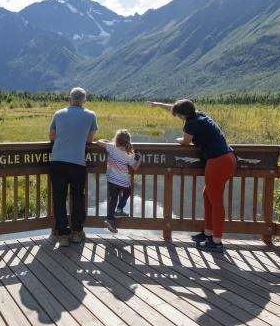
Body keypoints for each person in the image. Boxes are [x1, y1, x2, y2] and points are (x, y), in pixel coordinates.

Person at [148, 99, 236, 252]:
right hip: (226, 159)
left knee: (215, 201)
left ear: (182, 115)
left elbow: (185, 142)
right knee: (207, 195)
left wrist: (177, 139)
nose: (175, 116)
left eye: (177, 115)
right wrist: (158, 104)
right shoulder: (199, 115)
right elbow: (173, 108)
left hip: (218, 161)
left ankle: (216, 242)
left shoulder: (190, 124)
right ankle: (208, 233)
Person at [49, 87, 98, 247]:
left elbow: (52, 136)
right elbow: (90, 140)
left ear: (70, 99)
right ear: (84, 100)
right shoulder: (90, 115)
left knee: (59, 197)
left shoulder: (58, 114)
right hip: (77, 163)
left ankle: (62, 235)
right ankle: (77, 233)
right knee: (78, 197)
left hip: (57, 162)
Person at [97, 130, 142, 233]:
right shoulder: (129, 154)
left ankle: (110, 219)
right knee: (127, 193)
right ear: (128, 142)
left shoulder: (111, 147)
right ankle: (119, 209)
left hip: (112, 180)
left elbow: (98, 142)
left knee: (113, 199)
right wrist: (140, 158)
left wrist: (104, 140)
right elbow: (134, 167)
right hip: (123, 181)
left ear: (116, 140)